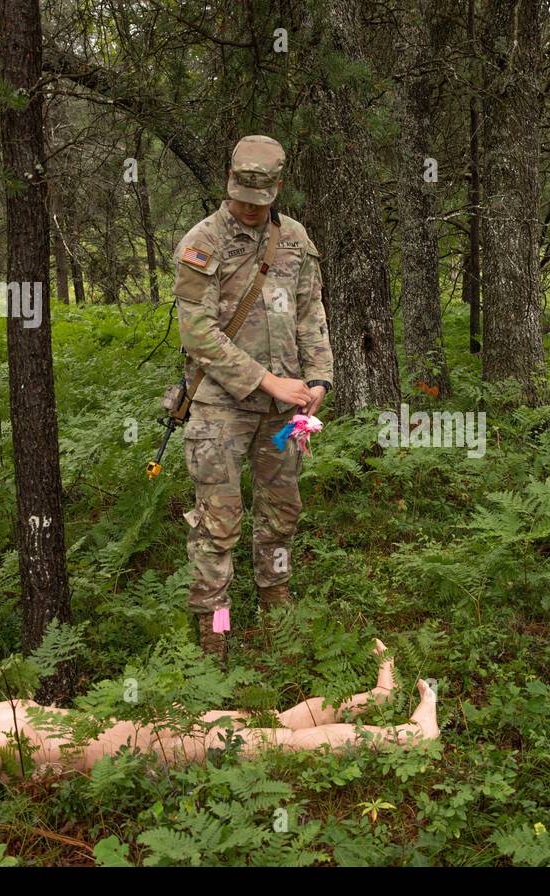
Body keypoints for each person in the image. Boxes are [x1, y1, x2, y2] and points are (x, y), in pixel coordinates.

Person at [0, 640, 438, 804]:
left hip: (137, 725)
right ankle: (409, 735)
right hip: (142, 753)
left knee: (264, 721)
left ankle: (376, 697)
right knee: (276, 745)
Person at [172, 135, 333, 655]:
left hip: (284, 409)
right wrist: (265, 380)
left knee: (281, 514)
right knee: (218, 526)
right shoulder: (203, 243)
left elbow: (311, 314)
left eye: (258, 200)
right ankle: (215, 640)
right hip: (221, 405)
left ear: (277, 189)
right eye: (240, 196)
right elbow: (197, 333)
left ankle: (275, 615)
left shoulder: (296, 241)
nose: (247, 208)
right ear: (228, 183)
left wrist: (318, 381)